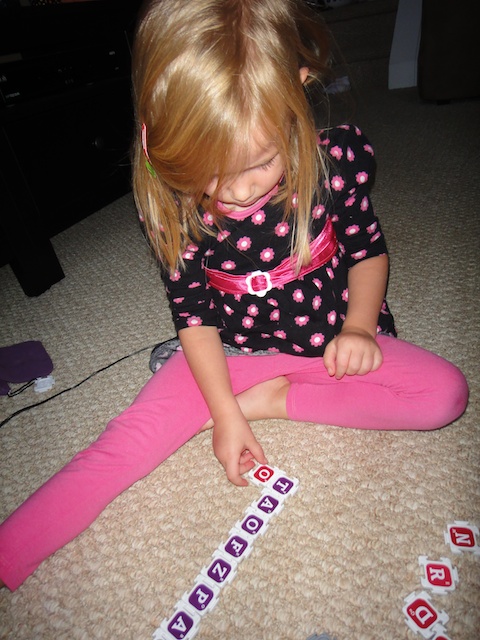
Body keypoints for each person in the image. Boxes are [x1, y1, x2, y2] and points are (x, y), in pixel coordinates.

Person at [0, 0, 468, 592]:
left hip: (331, 338)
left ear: (299, 91)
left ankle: (271, 400)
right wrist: (223, 412)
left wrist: (358, 327)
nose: (238, 192)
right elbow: (192, 316)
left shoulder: (335, 163)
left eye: (260, 164)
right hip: (230, 354)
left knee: (444, 395)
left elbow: (368, 252)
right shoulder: (175, 203)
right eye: (211, 173)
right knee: (126, 442)